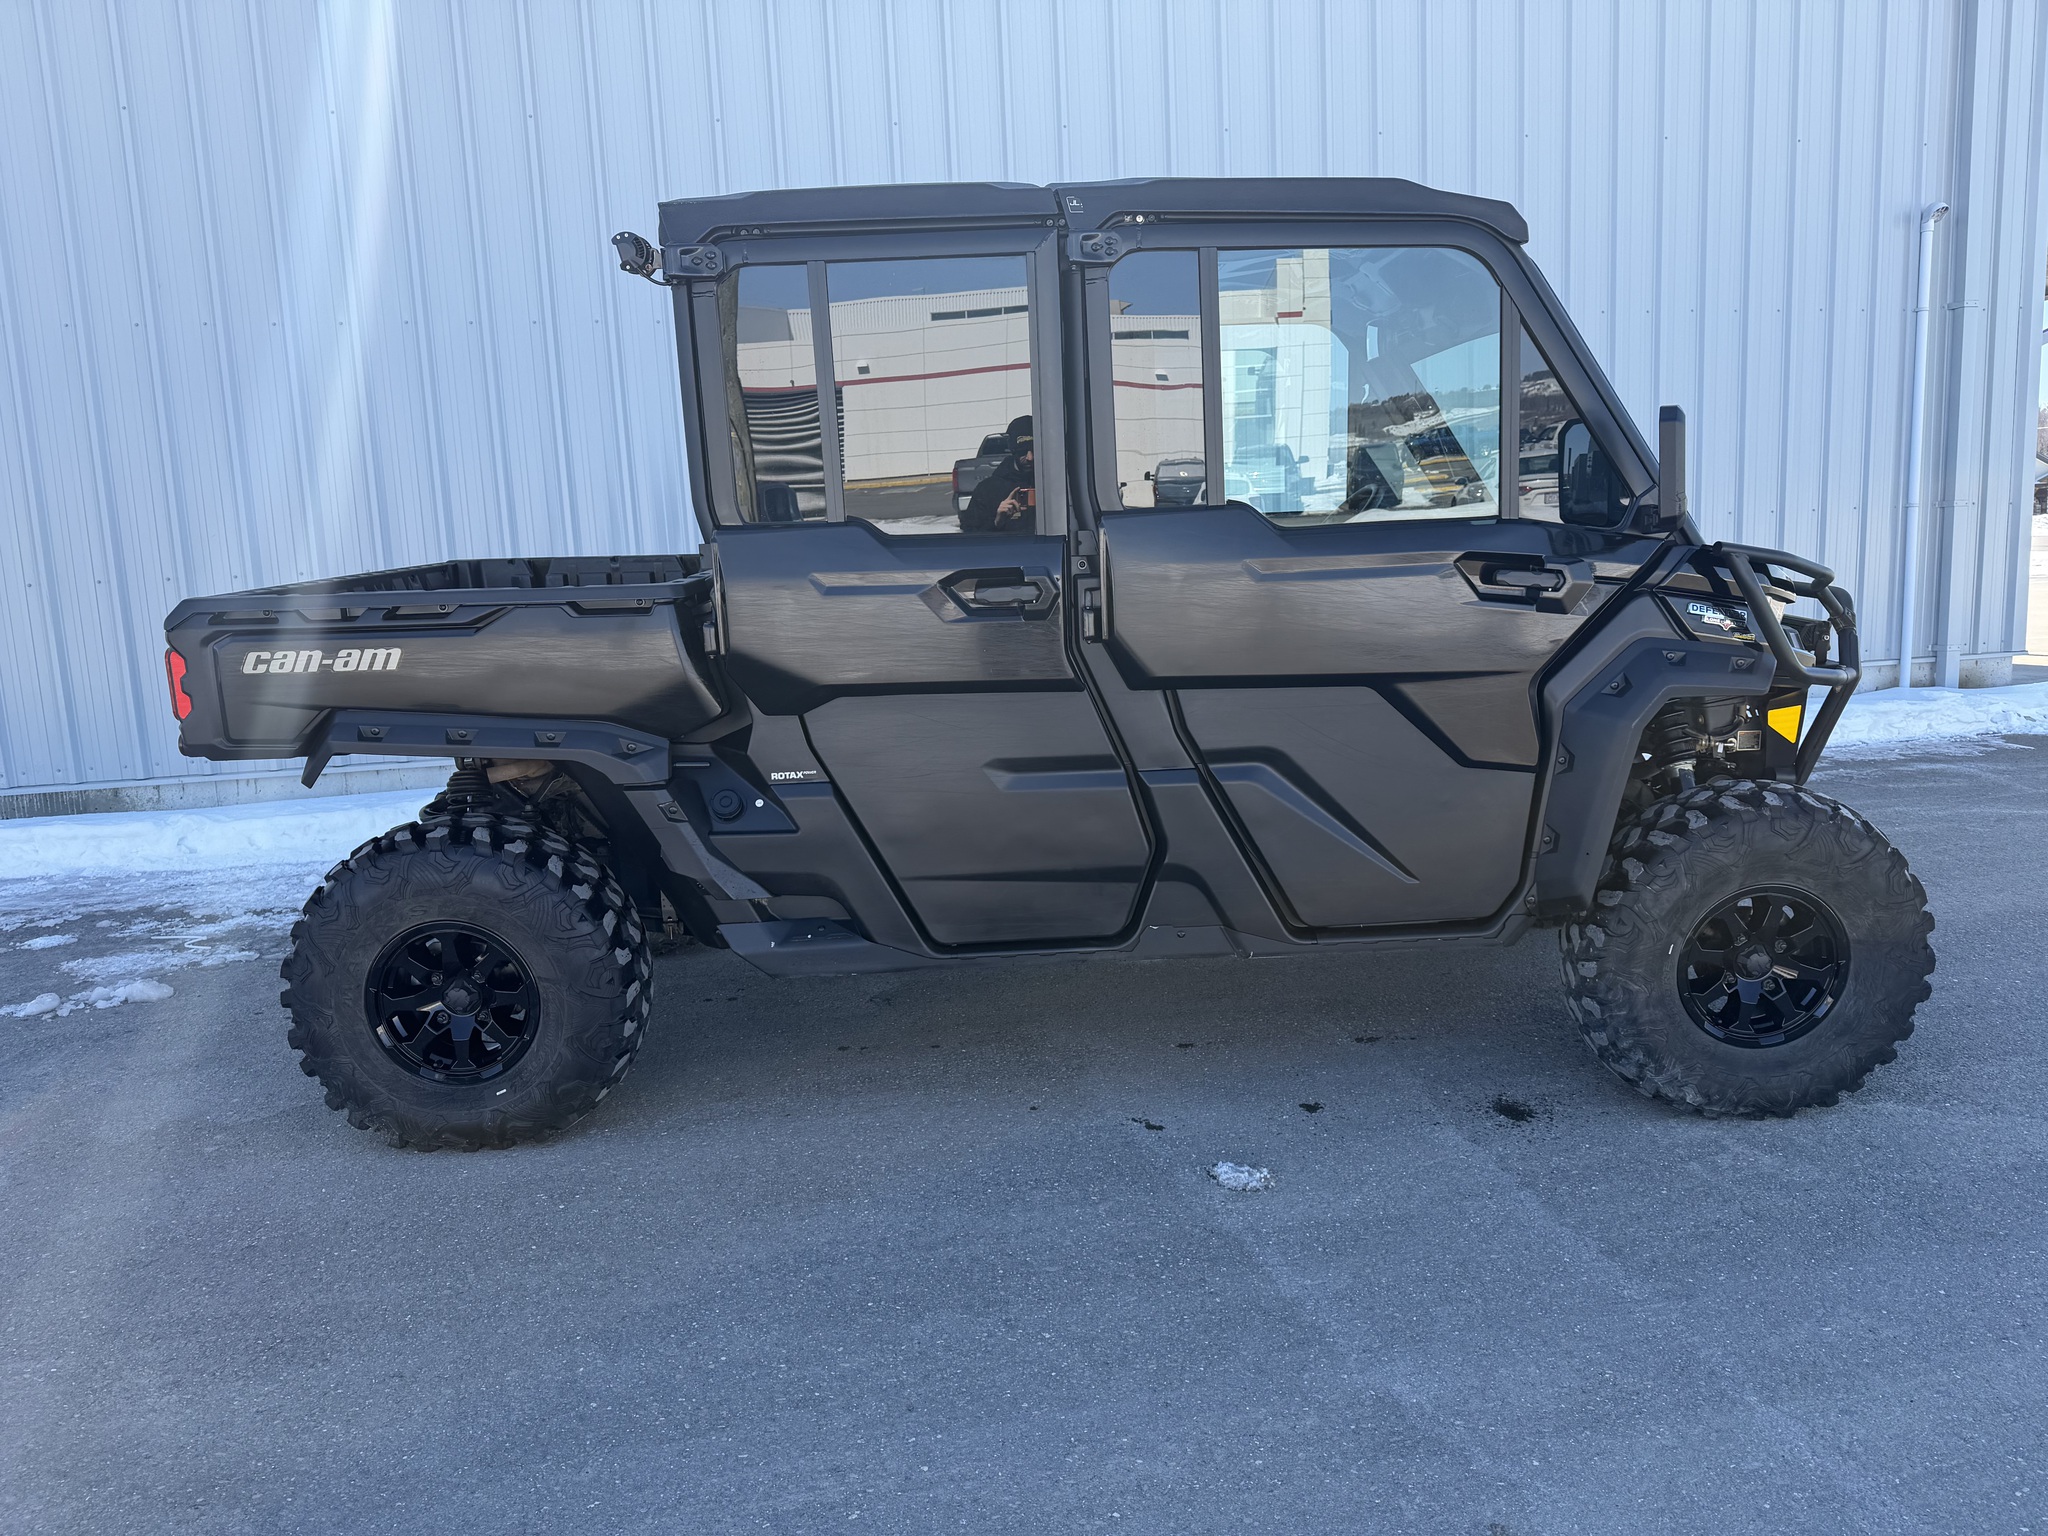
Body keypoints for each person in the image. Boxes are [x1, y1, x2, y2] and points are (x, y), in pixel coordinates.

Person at [961, 416, 1034, 533]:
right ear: (1013, 451)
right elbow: (970, 537)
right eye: (1022, 452)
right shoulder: (988, 490)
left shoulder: (1057, 485)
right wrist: (996, 521)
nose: (1030, 457)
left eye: (1035, 450)